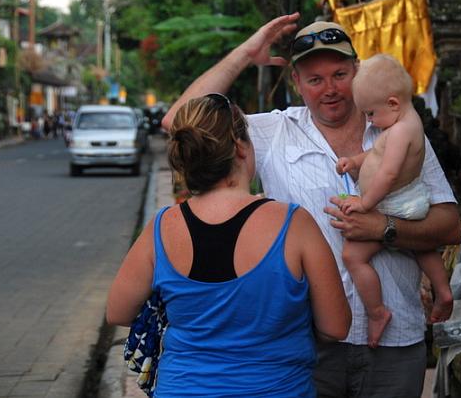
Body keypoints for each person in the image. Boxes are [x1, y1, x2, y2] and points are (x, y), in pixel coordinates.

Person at [162, 15, 461, 398]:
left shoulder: (397, 128)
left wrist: (384, 229)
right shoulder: (273, 132)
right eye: (315, 80)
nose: (330, 89)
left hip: (395, 340)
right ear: (297, 84)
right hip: (305, 345)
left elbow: (451, 224)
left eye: (340, 74)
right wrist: (244, 54)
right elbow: (178, 119)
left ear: (358, 71)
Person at [107, 94, 351, 397]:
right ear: (240, 146)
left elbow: (117, 312)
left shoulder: (162, 227)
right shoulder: (293, 224)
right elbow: (336, 327)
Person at [336, 54, 453, 348]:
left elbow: (387, 174)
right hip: (411, 201)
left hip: (394, 202)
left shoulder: (400, 131)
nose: (368, 120)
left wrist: (365, 204)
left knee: (353, 256)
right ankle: (443, 289)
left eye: (371, 113)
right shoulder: (404, 124)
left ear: (393, 103)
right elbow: (377, 154)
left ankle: (377, 312)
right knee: (420, 245)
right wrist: (355, 161)